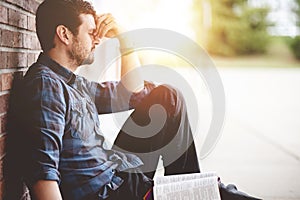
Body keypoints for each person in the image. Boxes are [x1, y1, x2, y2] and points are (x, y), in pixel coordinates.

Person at [4, 0, 261, 200]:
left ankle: (187, 190)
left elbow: (133, 94)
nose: (96, 40)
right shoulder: (45, 87)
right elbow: (43, 174)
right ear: (64, 34)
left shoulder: (71, 82)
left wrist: (125, 40)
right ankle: (190, 192)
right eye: (91, 32)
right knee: (221, 194)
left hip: (117, 177)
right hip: (111, 194)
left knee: (166, 97)